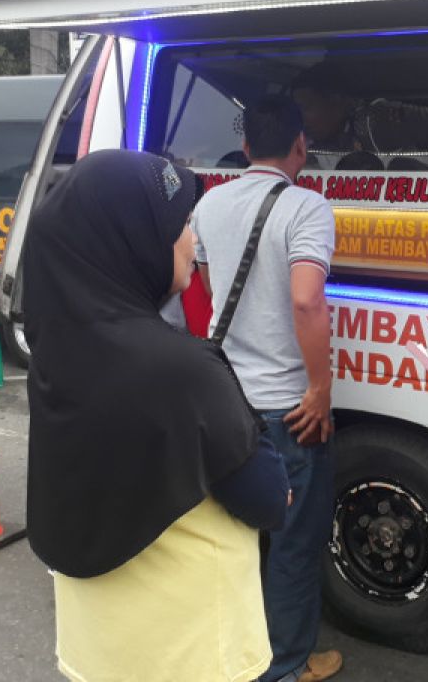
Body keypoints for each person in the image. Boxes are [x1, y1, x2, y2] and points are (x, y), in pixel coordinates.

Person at [22, 150, 289, 682]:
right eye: (181, 225)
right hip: (189, 651)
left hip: (96, 647)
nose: (193, 241)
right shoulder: (182, 369)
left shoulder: (55, 351)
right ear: (131, 239)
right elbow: (268, 498)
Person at [192, 96, 341, 682]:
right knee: (293, 541)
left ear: (248, 145)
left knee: (232, 534)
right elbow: (306, 299)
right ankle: (285, 664)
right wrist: (321, 388)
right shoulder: (307, 207)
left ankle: (231, 650)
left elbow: (205, 286)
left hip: (227, 397)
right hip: (288, 408)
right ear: (301, 145)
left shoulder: (211, 203)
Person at [291, 63, 428, 156]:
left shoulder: (377, 119)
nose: (301, 119)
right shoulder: (310, 141)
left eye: (306, 108)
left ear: (335, 99)